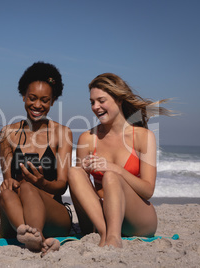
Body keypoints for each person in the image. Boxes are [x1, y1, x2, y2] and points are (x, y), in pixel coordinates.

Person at [68, 73, 172, 248]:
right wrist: (85, 171)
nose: (95, 107)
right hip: (98, 218)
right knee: (73, 171)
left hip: (136, 219)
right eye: (92, 102)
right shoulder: (87, 138)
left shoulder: (143, 137)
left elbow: (148, 190)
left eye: (101, 100)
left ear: (119, 99)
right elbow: (82, 189)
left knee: (111, 176)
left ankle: (114, 238)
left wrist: (115, 169)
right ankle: (104, 233)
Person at [0, 62, 73, 256]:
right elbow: (7, 181)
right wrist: (11, 183)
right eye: (32, 98)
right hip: (17, 214)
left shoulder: (62, 133)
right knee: (8, 193)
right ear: (23, 96)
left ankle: (34, 235)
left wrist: (42, 182)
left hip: (53, 213)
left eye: (45, 100)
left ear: (52, 101)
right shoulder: (8, 133)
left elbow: (62, 185)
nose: (38, 105)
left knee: (28, 186)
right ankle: (34, 236)